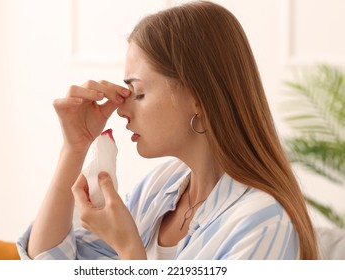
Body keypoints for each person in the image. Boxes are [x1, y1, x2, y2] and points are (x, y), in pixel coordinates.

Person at [17, 1, 318, 259]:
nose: (122, 110)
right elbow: (50, 260)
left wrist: (129, 249)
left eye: (139, 93)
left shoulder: (262, 222)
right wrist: (74, 148)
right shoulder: (161, 189)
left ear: (198, 98)